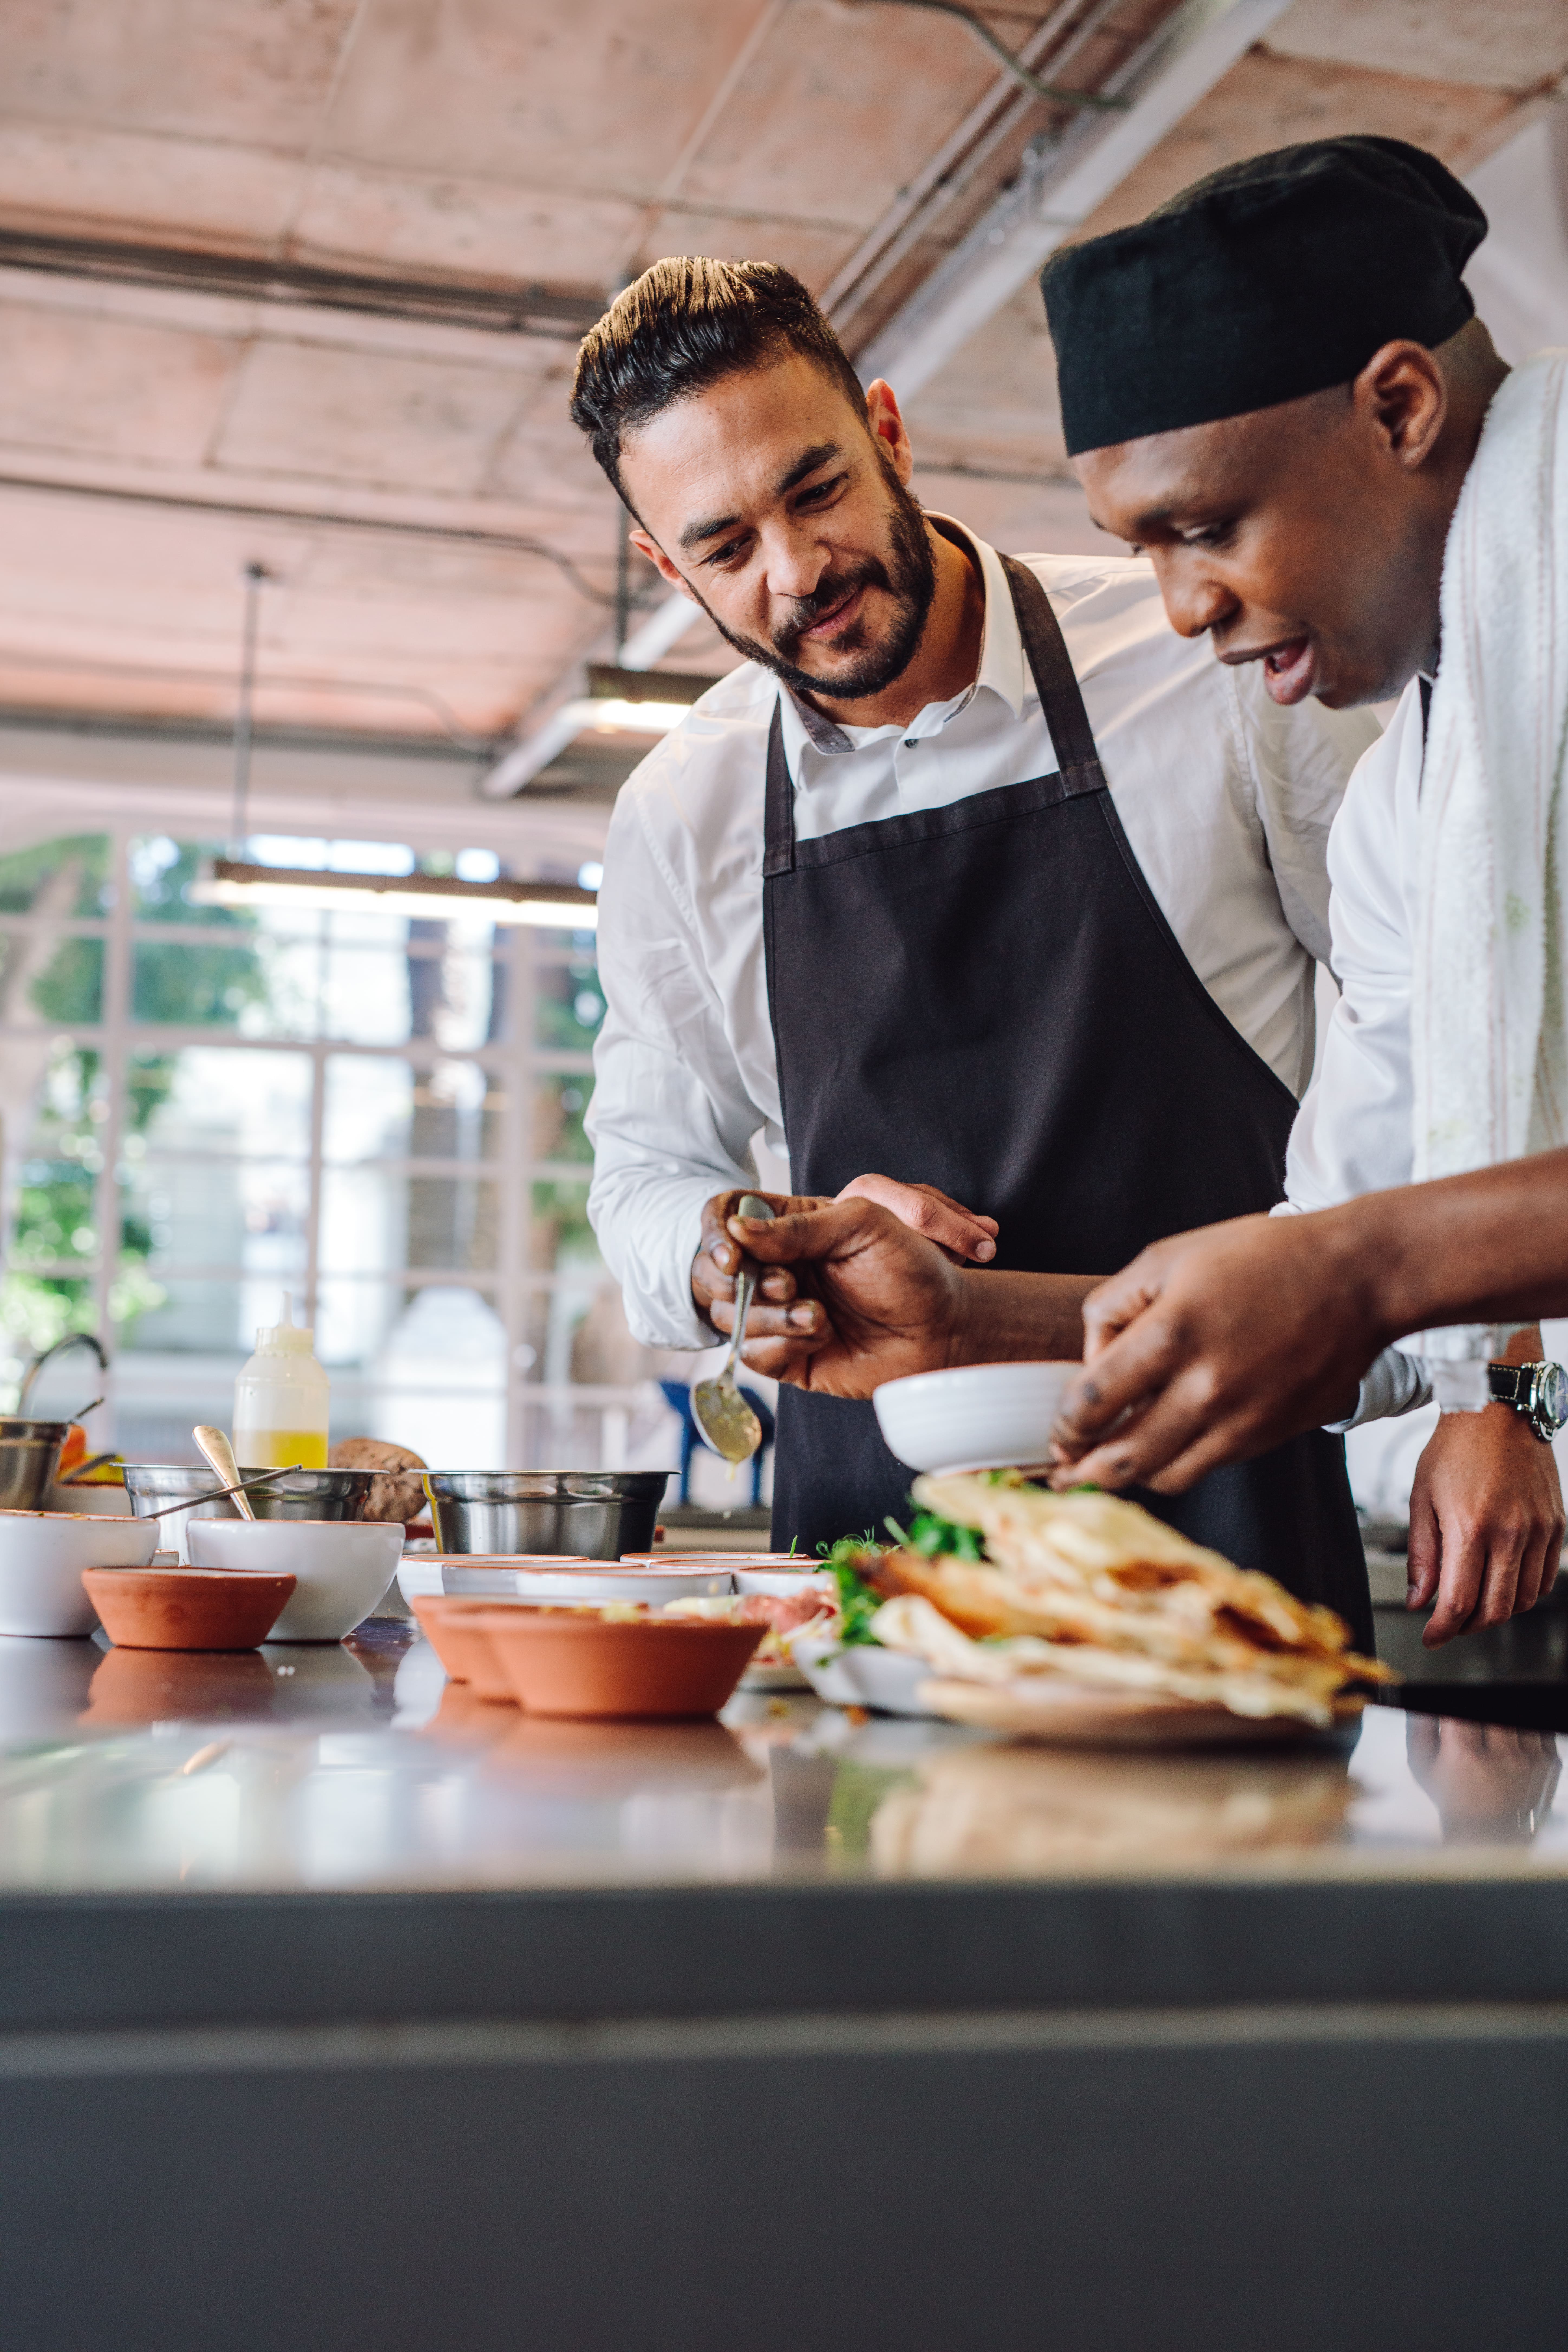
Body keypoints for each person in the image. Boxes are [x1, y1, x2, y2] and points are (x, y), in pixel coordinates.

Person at [718, 139, 1568, 1642]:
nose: (1184, 609)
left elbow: (1365, 1263)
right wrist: (967, 1323)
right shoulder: (1409, 809)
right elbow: (1352, 1278)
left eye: (1208, 525)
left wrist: (1361, 1269)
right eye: (1143, 551)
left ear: (1400, 406)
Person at [570, 255, 1383, 1634]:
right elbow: (646, 1172)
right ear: (664, 568)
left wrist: (1506, 1393)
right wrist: (738, 1250)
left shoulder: (1197, 663)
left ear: (886, 430)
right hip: (873, 1562)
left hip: (1220, 1521)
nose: (795, 571)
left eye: (815, 488)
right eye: (721, 547)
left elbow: (1429, 1037)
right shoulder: (682, 812)